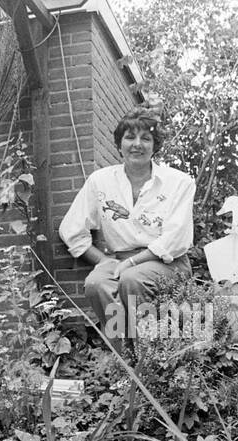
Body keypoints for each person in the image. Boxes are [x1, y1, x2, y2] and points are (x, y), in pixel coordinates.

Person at [58, 108, 195, 348]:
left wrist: (130, 263)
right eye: (130, 137)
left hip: (168, 262)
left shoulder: (179, 182)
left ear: (155, 146)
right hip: (120, 260)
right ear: (119, 144)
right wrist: (102, 261)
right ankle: (124, 358)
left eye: (146, 138)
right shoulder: (100, 181)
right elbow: (71, 228)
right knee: (96, 283)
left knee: (131, 280)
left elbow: (175, 239)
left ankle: (150, 357)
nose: (137, 144)